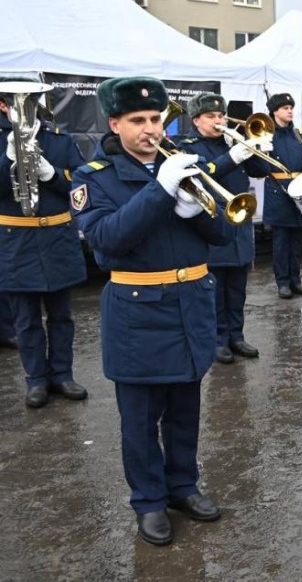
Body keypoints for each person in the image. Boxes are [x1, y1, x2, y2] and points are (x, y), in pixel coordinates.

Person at [72, 76, 235, 545]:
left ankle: (182, 485)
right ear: (115, 122)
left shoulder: (186, 163)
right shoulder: (94, 175)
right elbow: (105, 241)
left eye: (156, 119)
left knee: (186, 409)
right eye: (138, 121)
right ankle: (147, 500)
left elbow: (223, 234)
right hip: (138, 310)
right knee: (141, 419)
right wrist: (161, 192)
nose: (151, 130)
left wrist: (196, 210)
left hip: (190, 305)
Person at [0, 80, 88, 408]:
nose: (24, 106)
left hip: (56, 238)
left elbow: (82, 187)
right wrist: (7, 159)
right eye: (16, 101)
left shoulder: (59, 142)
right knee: (25, 319)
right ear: (4, 105)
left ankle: (62, 374)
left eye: (30, 99)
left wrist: (52, 175)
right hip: (15, 240)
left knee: (62, 315)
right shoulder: (1, 142)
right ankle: (36, 380)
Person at [177, 92, 259, 364]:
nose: (219, 120)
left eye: (221, 115)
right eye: (211, 116)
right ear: (197, 120)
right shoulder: (187, 145)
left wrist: (256, 146)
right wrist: (232, 156)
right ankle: (218, 339)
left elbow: (259, 170)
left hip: (240, 221)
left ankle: (237, 335)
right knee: (216, 288)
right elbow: (199, 176)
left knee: (238, 287)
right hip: (213, 220)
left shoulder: (230, 141)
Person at [244, 93, 302, 299]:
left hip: (299, 191)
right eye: (285, 108)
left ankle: (296, 280)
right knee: (281, 242)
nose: (290, 111)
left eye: (291, 107)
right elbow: (258, 169)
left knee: (297, 242)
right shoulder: (267, 134)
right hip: (278, 190)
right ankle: (282, 283)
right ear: (275, 111)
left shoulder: (298, 134)